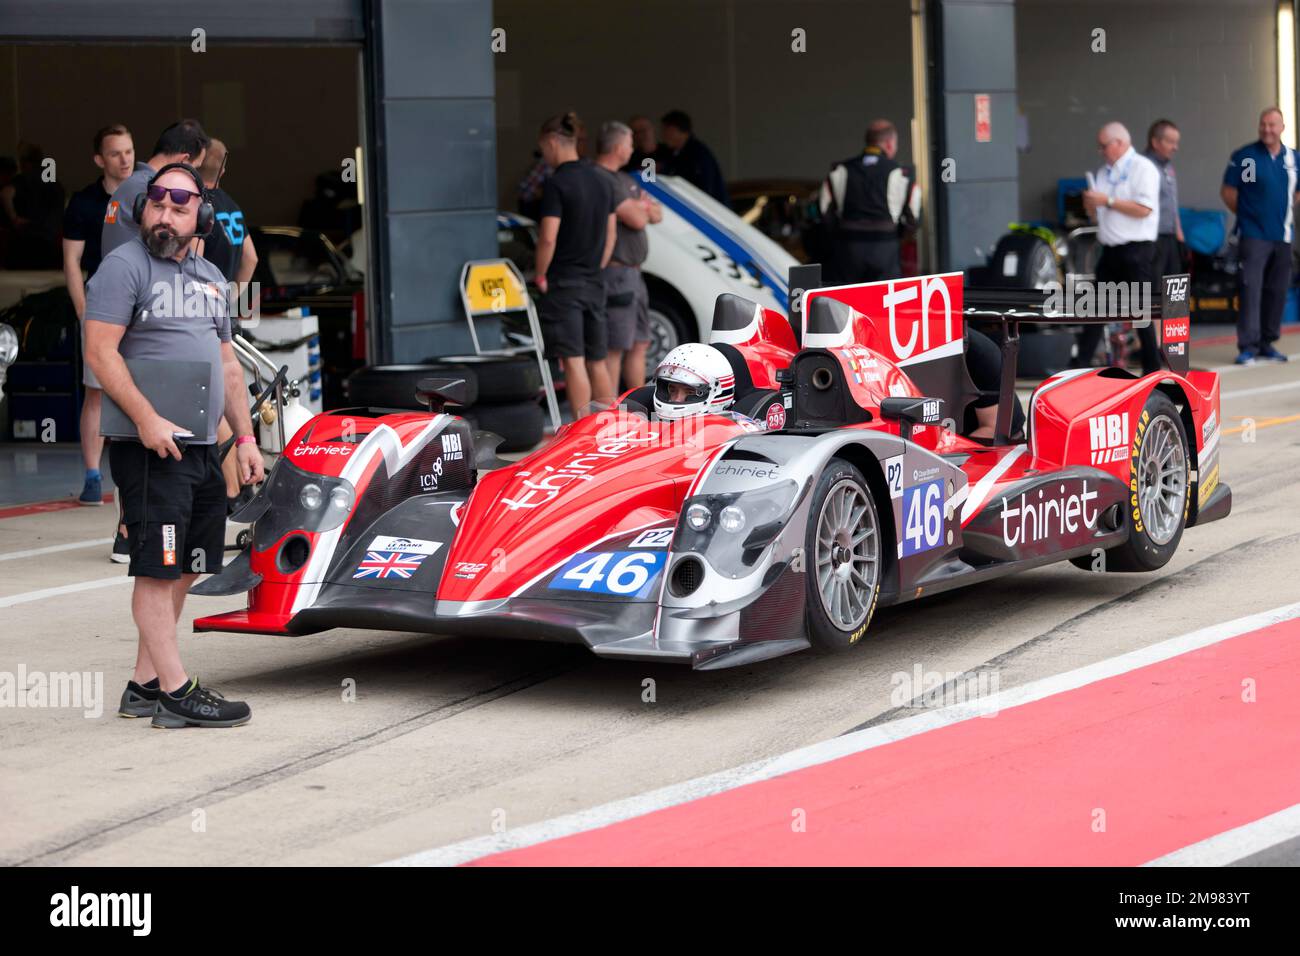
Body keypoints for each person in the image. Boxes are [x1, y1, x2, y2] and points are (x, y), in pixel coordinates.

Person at [85, 162, 264, 728]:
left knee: (187, 565)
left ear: (201, 218)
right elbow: (100, 353)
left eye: (178, 206)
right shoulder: (123, 267)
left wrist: (246, 439)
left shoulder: (212, 276)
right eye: (156, 204)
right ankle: (176, 691)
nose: (164, 215)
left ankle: (142, 685)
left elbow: (228, 364)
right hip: (150, 448)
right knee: (156, 569)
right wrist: (146, 419)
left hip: (204, 448)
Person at [63, 123, 136, 507]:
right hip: (101, 300)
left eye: (128, 151)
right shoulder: (84, 202)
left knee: (146, 381)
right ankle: (93, 475)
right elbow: (72, 262)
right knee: (97, 391)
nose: (124, 160)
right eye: (115, 153)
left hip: (142, 300)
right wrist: (82, 309)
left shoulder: (145, 193)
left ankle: (144, 472)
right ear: (99, 159)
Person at [534, 112, 618, 419]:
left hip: (564, 284)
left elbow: (547, 238)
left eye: (543, 147)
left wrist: (541, 274)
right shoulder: (602, 179)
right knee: (598, 359)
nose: (543, 155)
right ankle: (612, 432)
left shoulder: (557, 184)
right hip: (595, 282)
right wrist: (596, 266)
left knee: (574, 360)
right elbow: (611, 236)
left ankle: (581, 433)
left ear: (554, 141)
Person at [198, 138, 262, 508]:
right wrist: (234, 305)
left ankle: (234, 490)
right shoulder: (233, 207)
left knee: (214, 402)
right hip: (224, 312)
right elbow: (251, 258)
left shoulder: (194, 206)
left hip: (199, 310)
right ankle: (241, 483)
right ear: (224, 168)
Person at [1079, 121, 1162, 375]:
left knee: (1141, 311)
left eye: (1104, 145)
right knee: (1095, 308)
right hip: (1111, 249)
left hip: (1136, 249)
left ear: (1120, 143)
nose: (1101, 151)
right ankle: (1080, 365)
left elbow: (1143, 209)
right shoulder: (1104, 172)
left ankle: (1152, 367)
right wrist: (1092, 204)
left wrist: (1108, 200)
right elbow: (1096, 215)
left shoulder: (1143, 168)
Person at [1221, 107, 1297, 365]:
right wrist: (1249, 216)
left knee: (1277, 290)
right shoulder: (1248, 158)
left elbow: (1296, 193)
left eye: (1272, 125)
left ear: (1282, 128)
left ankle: (1267, 342)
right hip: (1254, 236)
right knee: (1251, 289)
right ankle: (1248, 346)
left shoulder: (1293, 159)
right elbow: (1231, 192)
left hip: (1283, 236)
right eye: (1263, 124)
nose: (1267, 129)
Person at [594, 121, 661, 392]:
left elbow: (656, 213)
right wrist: (638, 208)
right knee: (616, 346)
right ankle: (611, 415)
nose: (633, 149)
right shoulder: (601, 178)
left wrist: (641, 207)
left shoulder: (624, 178)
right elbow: (637, 219)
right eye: (631, 143)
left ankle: (638, 408)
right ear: (619, 146)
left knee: (639, 342)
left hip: (634, 272)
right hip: (616, 272)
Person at [819, 120, 920, 284]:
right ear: (889, 144)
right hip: (886, 249)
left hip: (848, 250)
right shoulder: (901, 174)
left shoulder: (840, 171)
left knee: (846, 304)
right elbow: (913, 218)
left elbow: (825, 212)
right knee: (885, 303)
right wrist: (897, 236)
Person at [102, 118, 209, 259]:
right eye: (195, 168)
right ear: (183, 161)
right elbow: (189, 260)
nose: (194, 177)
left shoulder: (130, 184)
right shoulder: (155, 190)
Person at [0, 142, 65, 268]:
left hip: (23, 245)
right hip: (49, 247)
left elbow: (5, 194)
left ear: (25, 162)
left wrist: (14, 218)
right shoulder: (56, 185)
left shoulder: (23, 180)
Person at [1144, 119, 1185, 285]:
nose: (1175, 147)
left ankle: (1175, 313)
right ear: (1155, 142)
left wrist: (1179, 233)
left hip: (1170, 236)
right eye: (1171, 142)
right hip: (1151, 238)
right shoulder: (1143, 167)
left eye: (1177, 142)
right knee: (1155, 288)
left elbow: (1172, 201)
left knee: (1175, 288)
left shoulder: (1168, 166)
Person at [659, 110, 728, 204]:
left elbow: (705, 189)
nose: (663, 135)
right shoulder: (672, 154)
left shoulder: (698, 154)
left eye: (667, 130)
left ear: (679, 130)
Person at [652, 343, 737, 420]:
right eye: (672, 390)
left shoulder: (732, 432)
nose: (676, 400)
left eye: (690, 392)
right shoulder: (646, 418)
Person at [626, 115, 671, 181]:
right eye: (635, 132)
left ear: (652, 129)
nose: (640, 135)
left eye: (643, 130)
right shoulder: (628, 158)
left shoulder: (670, 153)